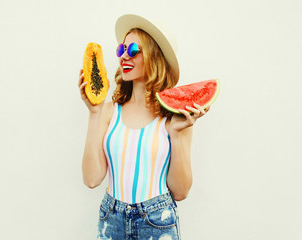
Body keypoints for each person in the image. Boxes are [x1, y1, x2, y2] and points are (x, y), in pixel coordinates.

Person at [78, 14, 209, 240]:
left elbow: (181, 191)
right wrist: (94, 113)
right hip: (112, 219)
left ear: (153, 56)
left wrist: (177, 136)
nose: (123, 57)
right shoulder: (109, 111)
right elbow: (91, 179)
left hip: (157, 221)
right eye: (121, 50)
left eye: (133, 50)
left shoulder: (175, 118)